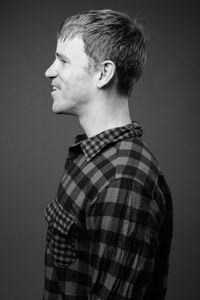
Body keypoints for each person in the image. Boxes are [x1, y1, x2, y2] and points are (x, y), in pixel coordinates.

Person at [44, 9, 173, 300]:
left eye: (62, 60)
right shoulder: (91, 158)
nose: (49, 71)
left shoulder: (122, 181)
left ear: (104, 73)